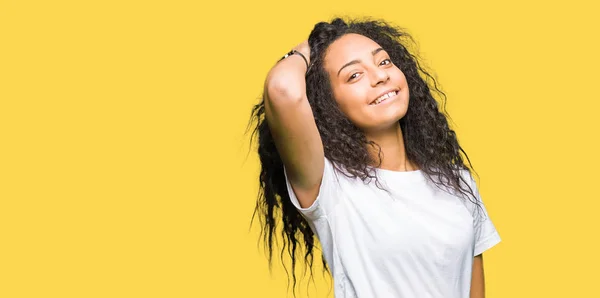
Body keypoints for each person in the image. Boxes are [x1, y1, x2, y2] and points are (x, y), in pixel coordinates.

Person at [246, 17, 501, 298]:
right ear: (329, 103)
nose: (380, 76)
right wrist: (316, 42)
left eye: (384, 62)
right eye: (354, 75)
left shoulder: (457, 182)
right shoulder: (329, 186)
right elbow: (283, 90)